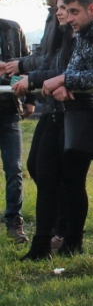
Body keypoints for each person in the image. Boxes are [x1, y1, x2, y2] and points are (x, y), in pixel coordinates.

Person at [20, 0, 93, 258]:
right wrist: (64, 80)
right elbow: (73, 68)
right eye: (64, 10)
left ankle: (72, 240)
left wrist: (64, 80)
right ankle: (41, 244)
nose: (66, 16)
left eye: (72, 10)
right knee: (45, 176)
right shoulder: (78, 32)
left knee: (73, 180)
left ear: (91, 9)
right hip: (59, 109)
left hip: (83, 111)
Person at [6, 0, 73, 246]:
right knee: (38, 166)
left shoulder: (65, 20)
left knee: (56, 172)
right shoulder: (51, 19)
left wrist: (28, 75)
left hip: (66, 107)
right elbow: (45, 59)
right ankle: (57, 227)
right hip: (50, 101)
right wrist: (19, 65)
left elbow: (56, 63)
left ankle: (63, 229)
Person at [0, 17, 35, 244]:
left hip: (9, 110)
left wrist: (31, 98)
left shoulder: (12, 28)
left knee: (14, 169)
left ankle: (14, 221)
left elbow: (29, 63)